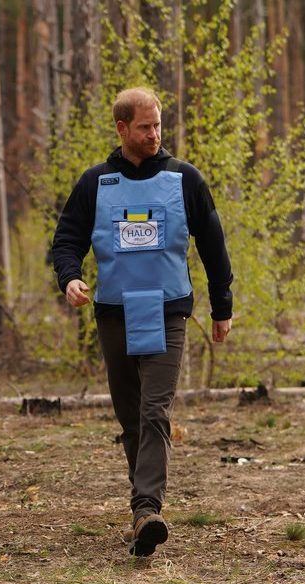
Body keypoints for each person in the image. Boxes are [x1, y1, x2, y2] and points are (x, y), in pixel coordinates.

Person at [51, 86, 234, 557]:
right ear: (122, 129)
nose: (154, 135)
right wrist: (70, 279)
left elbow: (213, 246)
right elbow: (67, 240)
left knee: (155, 410)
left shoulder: (184, 180)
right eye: (144, 127)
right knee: (131, 417)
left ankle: (147, 507)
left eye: (158, 126)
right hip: (114, 312)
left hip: (168, 309)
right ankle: (142, 516)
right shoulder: (96, 183)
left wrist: (222, 306)